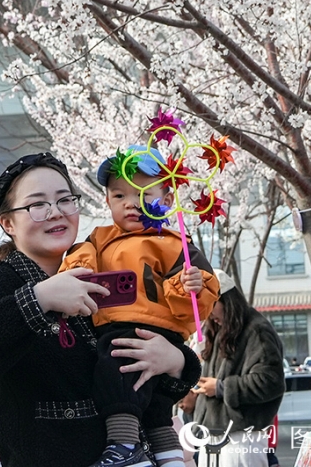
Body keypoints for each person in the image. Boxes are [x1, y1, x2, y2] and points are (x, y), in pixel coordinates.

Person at [0, 152, 202, 467]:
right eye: (37, 205)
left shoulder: (102, 275)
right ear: (8, 223)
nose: (56, 213)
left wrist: (176, 361)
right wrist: (38, 299)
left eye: (65, 200)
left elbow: (137, 383)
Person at [60, 146, 220, 467]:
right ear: (107, 201)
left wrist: (190, 287)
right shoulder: (100, 238)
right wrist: (78, 273)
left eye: (144, 193)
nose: (131, 203)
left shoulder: (175, 244)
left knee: (120, 381)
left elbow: (198, 302)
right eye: (119, 196)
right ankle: (170, 457)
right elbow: (79, 263)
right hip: (121, 325)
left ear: (167, 195)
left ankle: (124, 445)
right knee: (151, 405)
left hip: (141, 333)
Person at [190, 269, 284, 467]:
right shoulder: (220, 330)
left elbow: (271, 382)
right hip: (213, 435)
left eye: (211, 305)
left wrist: (222, 388)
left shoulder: (256, 329)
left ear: (226, 300)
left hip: (242, 437)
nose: (208, 313)